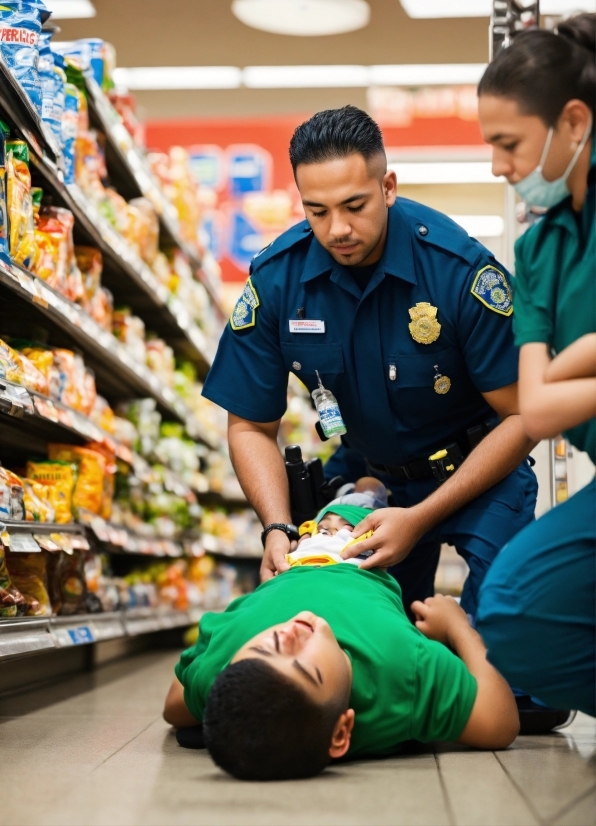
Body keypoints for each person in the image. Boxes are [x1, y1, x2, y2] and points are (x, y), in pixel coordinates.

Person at [202, 106, 538, 627]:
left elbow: (523, 416)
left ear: (388, 186)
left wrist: (421, 518)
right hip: (370, 479)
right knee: (360, 647)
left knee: (512, 659)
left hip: (479, 473)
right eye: (317, 211)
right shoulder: (277, 281)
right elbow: (250, 425)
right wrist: (277, 527)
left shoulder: (459, 271)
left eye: (354, 205)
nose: (338, 229)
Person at [475, 13, 595, 717]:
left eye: (508, 143)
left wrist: (574, 359)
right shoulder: (541, 248)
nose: (498, 165)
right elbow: (538, 409)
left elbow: (550, 387)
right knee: (513, 611)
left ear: (573, 121)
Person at [163, 565, 519, 780]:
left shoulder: (223, 668)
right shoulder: (402, 669)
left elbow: (173, 707)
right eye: (304, 666)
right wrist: (457, 626)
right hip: (361, 552)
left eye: (265, 646)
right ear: (341, 732)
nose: (288, 633)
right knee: (367, 488)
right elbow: (500, 722)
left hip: (294, 552)